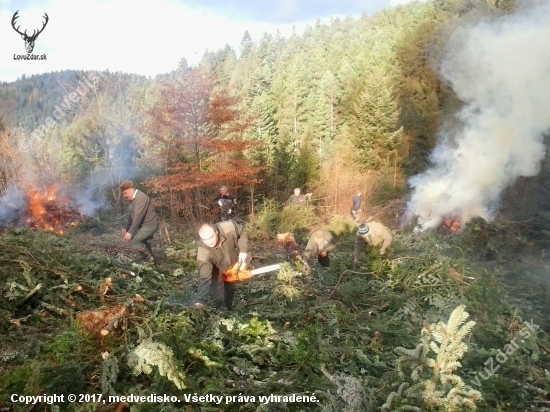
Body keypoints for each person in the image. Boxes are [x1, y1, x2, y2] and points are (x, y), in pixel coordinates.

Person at [194, 221, 249, 309]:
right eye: (205, 239)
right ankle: (218, 311)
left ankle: (228, 308)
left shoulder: (228, 228)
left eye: (211, 237)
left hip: (231, 260)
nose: (209, 242)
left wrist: (243, 251)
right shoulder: (203, 253)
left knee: (230, 287)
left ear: (216, 231)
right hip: (216, 267)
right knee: (217, 295)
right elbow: (204, 277)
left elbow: (241, 231)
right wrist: (200, 301)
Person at [119, 180, 159, 264]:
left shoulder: (140, 198)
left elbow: (138, 217)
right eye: (123, 194)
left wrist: (130, 232)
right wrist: (126, 228)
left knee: (135, 242)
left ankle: (148, 259)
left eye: (125, 193)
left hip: (150, 225)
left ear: (131, 189)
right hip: (144, 225)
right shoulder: (133, 200)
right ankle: (152, 263)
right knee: (145, 243)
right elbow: (131, 216)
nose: (124, 196)